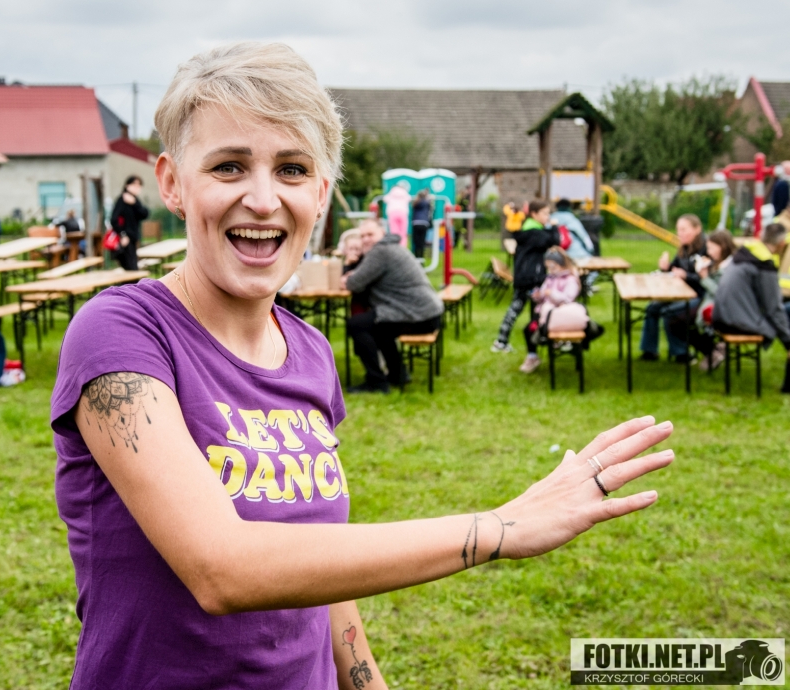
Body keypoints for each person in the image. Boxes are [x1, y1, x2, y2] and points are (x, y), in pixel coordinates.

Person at [50, 42, 673, 690]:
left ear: (320, 193)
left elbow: (317, 562)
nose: (262, 199)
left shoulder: (309, 352)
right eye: (229, 166)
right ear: (172, 183)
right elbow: (222, 567)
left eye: (292, 169)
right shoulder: (120, 335)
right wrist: (498, 528)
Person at [342, 219, 443, 392]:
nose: (365, 239)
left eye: (370, 234)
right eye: (362, 236)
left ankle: (376, 382)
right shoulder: (390, 247)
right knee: (379, 327)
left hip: (418, 314)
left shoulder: (381, 251)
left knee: (356, 325)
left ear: (382, 233)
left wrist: (347, 271)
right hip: (427, 312)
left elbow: (353, 283)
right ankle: (398, 374)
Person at [712, 223, 790, 393]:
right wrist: (787, 341)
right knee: (784, 321)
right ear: (782, 244)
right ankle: (787, 386)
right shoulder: (763, 264)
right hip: (737, 321)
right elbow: (773, 308)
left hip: (721, 316)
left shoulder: (747, 253)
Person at [491, 200, 560, 353]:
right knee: (538, 311)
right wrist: (554, 227)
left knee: (519, 309)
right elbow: (554, 241)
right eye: (545, 213)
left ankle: (502, 341)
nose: (548, 217)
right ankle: (541, 341)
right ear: (534, 214)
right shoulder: (535, 233)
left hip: (523, 276)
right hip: (532, 278)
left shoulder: (528, 229)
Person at [639, 214, 706, 363]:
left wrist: (686, 276)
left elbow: (706, 279)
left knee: (670, 312)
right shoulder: (684, 248)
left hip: (699, 296)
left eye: (684, 229)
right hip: (679, 293)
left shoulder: (706, 250)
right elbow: (675, 269)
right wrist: (666, 267)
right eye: (678, 229)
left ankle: (681, 354)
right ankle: (649, 351)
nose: (679, 233)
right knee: (652, 308)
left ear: (697, 229)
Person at [519, 246, 582, 374]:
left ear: (562, 265)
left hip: (562, 315)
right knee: (529, 329)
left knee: (540, 329)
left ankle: (557, 342)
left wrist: (551, 293)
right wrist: (538, 295)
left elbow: (568, 299)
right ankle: (532, 356)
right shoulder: (550, 278)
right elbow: (543, 294)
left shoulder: (571, 279)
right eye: (548, 267)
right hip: (544, 313)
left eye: (553, 267)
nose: (550, 270)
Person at [691, 229, 737, 370]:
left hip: (725, 308)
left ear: (722, 246)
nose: (708, 252)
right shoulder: (717, 263)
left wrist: (705, 278)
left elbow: (721, 294)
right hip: (709, 303)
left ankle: (714, 352)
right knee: (678, 317)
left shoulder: (730, 267)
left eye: (711, 248)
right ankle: (713, 351)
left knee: (681, 321)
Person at [109, 175, 149, 270]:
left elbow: (145, 214)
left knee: (132, 268)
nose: (137, 187)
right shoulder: (122, 200)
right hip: (126, 240)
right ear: (127, 185)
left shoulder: (134, 200)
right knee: (132, 269)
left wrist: (134, 203)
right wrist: (123, 235)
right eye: (134, 184)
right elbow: (114, 220)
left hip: (133, 238)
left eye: (139, 185)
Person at [411, 189, 432, 258]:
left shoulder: (416, 202)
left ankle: (416, 256)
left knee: (416, 241)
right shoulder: (427, 203)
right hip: (424, 223)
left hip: (416, 223)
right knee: (422, 241)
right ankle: (421, 257)